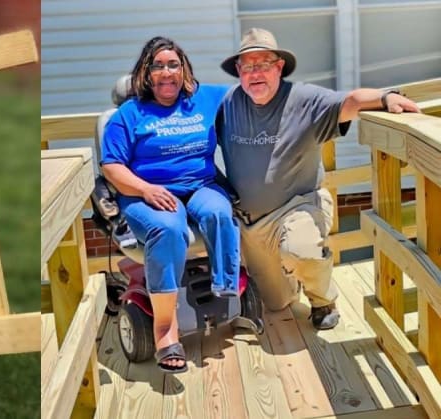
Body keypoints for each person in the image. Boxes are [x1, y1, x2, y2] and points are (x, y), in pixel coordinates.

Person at [216, 27, 420, 330]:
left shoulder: (304, 98)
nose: (255, 73)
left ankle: (323, 300)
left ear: (279, 67)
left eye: (263, 64)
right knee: (276, 303)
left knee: (301, 250)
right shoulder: (229, 104)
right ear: (238, 70)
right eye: (248, 66)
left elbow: (349, 101)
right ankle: (291, 274)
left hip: (297, 206)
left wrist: (385, 96)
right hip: (251, 224)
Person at [101, 36, 240, 373]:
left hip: (200, 185)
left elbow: (253, 93)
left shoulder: (206, 98)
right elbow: (111, 166)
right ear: (146, 74)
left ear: (184, 70)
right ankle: (166, 330)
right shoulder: (128, 114)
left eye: (173, 65)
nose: (166, 72)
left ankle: (226, 291)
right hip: (145, 193)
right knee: (169, 229)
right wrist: (146, 189)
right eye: (158, 66)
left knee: (220, 212)